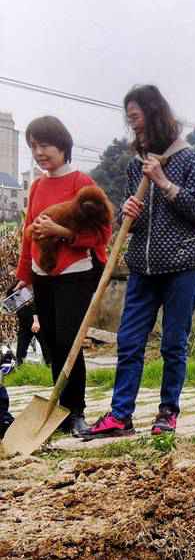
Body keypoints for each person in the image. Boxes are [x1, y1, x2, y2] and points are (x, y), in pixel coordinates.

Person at [83, 86, 195, 439]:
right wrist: (129, 212)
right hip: (143, 266)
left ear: (155, 115)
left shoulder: (191, 159)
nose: (132, 126)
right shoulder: (134, 166)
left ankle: (167, 412)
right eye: (129, 120)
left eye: (136, 118)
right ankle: (120, 415)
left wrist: (164, 183)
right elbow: (136, 224)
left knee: (173, 342)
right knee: (129, 340)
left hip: (183, 264)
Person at [14, 116, 113, 437]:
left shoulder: (81, 183)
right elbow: (29, 232)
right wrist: (24, 276)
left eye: (45, 145)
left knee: (69, 341)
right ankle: (60, 409)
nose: (39, 152)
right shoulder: (38, 185)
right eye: (33, 146)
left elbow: (102, 232)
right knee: (52, 343)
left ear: (62, 145)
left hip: (74, 273)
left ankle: (77, 411)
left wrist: (64, 233)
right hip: (42, 274)